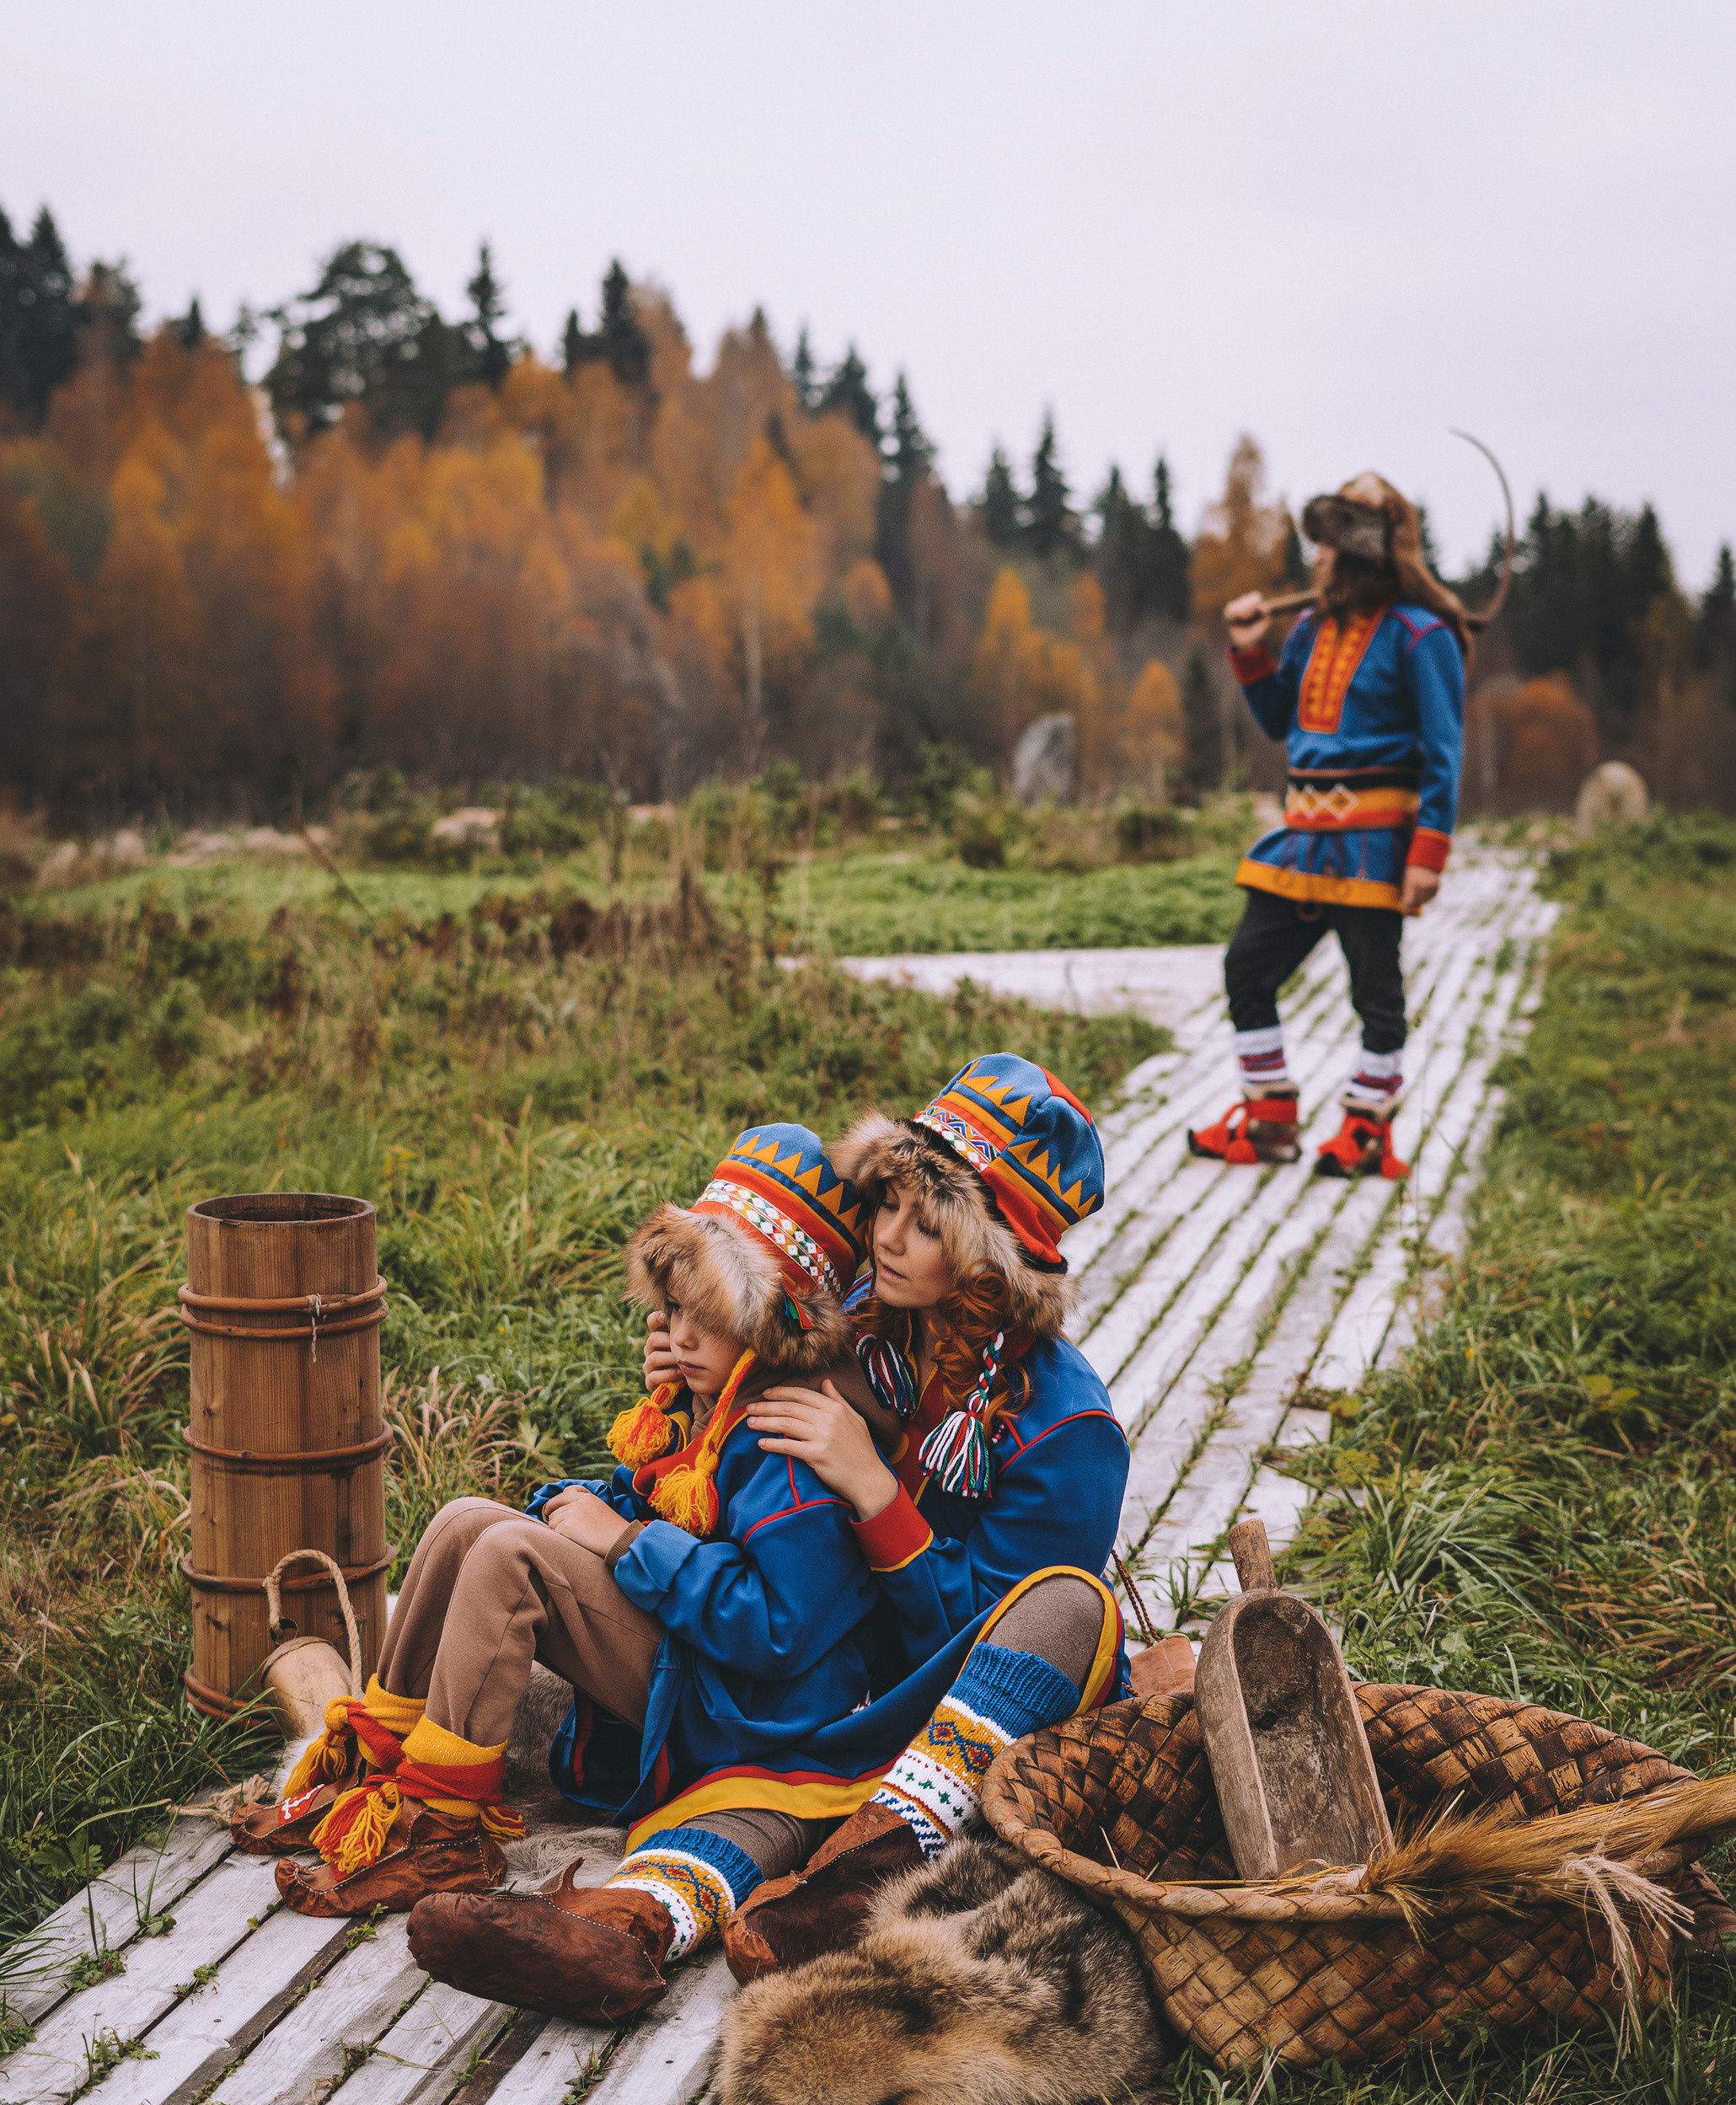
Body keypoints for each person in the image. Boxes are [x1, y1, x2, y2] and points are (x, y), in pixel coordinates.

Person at [276, 1128, 888, 2022]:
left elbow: (778, 1630)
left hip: (746, 1713)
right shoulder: (714, 1409)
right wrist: (606, 1491)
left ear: (770, 1322)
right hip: (693, 1660)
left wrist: (621, 1542)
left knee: (510, 1555)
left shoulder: (786, 1440)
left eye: (705, 1318)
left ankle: (446, 1835)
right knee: (465, 1522)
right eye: (671, 1310)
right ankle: (381, 1765)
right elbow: (657, 1506)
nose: (677, 1336)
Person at [721, 1053, 1134, 1981]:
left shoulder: (1065, 1425)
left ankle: (867, 1867)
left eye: (928, 1222)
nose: (887, 1238)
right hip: (826, 1679)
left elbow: (986, 1633)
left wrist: (875, 1492)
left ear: (993, 1249)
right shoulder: (866, 1322)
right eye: (884, 1202)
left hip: (955, 1714)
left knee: (1070, 1603)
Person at [1187, 472, 1470, 1181]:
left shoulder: (1421, 636)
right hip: (1300, 845)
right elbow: (1282, 720)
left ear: (1363, 552)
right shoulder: (1311, 628)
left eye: (1328, 545)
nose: (1315, 558)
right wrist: (1252, 649)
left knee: (1376, 996)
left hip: (1376, 850)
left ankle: (1367, 1130)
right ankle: (1271, 1121)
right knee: (1247, 969)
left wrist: (1428, 852)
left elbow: (1446, 750)